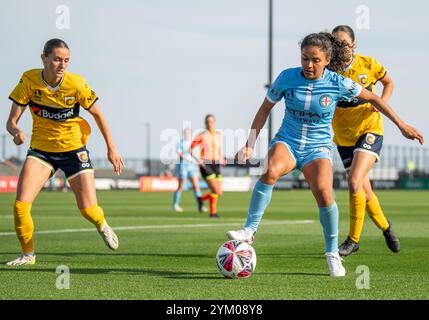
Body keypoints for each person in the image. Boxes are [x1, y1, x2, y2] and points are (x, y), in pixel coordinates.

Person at [226, 32, 424, 277]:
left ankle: (332, 254)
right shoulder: (287, 78)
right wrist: (249, 144)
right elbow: (265, 108)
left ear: (327, 60)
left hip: (317, 148)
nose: (309, 65)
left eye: (315, 60)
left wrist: (402, 125)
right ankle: (250, 230)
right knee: (270, 171)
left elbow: (373, 96)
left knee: (324, 193)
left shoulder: (338, 82)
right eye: (304, 58)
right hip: (288, 141)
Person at [5, 38, 124, 266]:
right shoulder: (29, 80)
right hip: (41, 151)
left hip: (73, 150)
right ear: (44, 58)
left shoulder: (76, 84)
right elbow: (11, 121)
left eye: (66, 60)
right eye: (57, 59)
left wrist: (112, 147)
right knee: (20, 205)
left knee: (88, 210)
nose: (62, 65)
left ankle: (102, 224)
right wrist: (16, 131)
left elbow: (98, 114)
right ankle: (28, 255)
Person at [332, 25, 401, 256]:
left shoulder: (368, 64)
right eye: (336, 43)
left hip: (370, 129)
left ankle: (353, 239)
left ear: (354, 44)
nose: (341, 47)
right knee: (365, 191)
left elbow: (388, 83)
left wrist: (380, 101)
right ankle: (386, 227)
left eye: (344, 43)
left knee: (353, 181)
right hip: (343, 137)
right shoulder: (329, 70)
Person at [190, 114, 226, 218]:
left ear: (214, 122)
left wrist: (221, 158)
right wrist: (198, 160)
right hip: (206, 164)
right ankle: (212, 213)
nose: (209, 123)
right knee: (216, 190)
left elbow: (218, 149)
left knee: (219, 192)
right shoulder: (202, 135)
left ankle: (201, 200)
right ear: (205, 123)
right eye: (207, 122)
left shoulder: (218, 135)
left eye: (211, 121)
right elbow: (190, 149)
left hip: (216, 164)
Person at [173, 128, 206, 213]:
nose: (186, 134)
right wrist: (188, 160)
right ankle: (175, 205)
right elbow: (180, 154)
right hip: (183, 166)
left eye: (188, 133)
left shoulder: (193, 143)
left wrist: (199, 161)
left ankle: (200, 205)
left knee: (196, 186)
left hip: (192, 167)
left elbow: (195, 154)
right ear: (183, 134)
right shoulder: (180, 143)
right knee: (181, 186)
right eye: (185, 133)